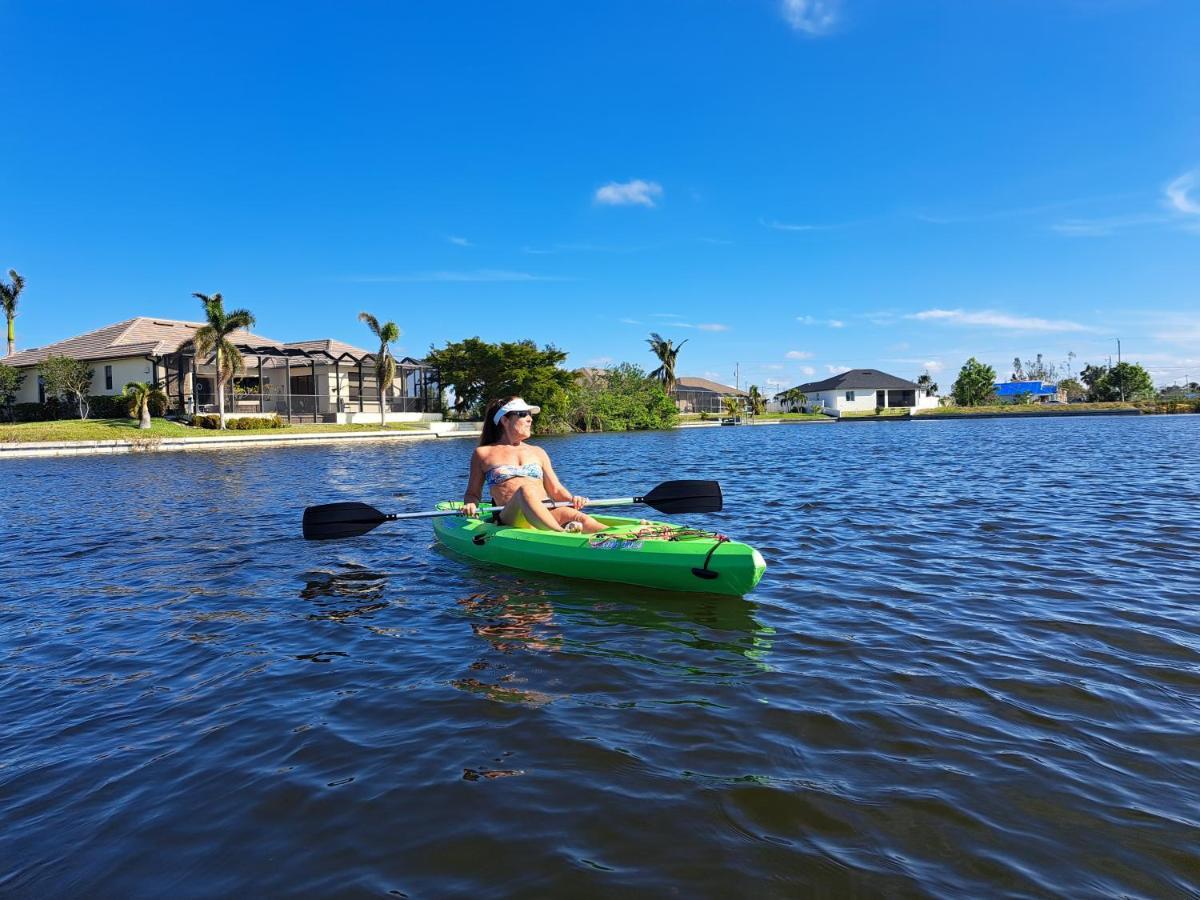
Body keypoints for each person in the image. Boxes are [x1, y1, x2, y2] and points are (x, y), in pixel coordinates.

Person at [461, 396, 606, 533]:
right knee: (525, 490)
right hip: (510, 516)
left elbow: (555, 490)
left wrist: (573, 499)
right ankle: (561, 533)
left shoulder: (538, 452)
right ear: (505, 420)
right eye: (523, 414)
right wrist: (471, 504)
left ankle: (620, 538)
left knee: (581, 519)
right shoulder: (483, 453)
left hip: (545, 509)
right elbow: (472, 494)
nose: (530, 419)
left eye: (530, 414)